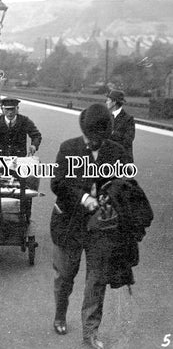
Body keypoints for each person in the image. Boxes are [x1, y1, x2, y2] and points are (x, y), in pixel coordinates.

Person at [50, 103, 132, 349]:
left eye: (100, 139)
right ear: (84, 131)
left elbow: (124, 181)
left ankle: (90, 333)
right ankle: (60, 314)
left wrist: (109, 196)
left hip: (101, 228)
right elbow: (58, 183)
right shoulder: (68, 148)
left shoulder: (117, 151)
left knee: (96, 281)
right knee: (65, 276)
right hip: (69, 224)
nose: (95, 143)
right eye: (91, 138)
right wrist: (84, 198)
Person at [106, 89, 135, 162]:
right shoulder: (105, 117)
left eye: (108, 100)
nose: (106, 102)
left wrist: (112, 133)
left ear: (114, 102)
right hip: (106, 160)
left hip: (122, 160)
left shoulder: (128, 119)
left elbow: (128, 140)